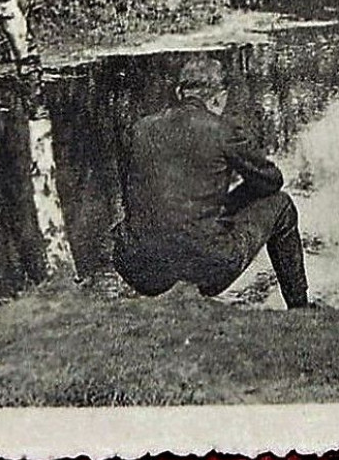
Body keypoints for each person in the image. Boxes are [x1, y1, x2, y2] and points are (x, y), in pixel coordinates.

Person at [112, 57, 310, 308]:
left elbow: (133, 195)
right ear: (220, 97)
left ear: (179, 93)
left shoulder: (141, 128)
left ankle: (156, 298)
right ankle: (299, 306)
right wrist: (232, 203)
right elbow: (271, 181)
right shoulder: (221, 130)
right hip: (204, 267)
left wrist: (223, 206)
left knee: (159, 225)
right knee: (282, 206)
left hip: (138, 266)